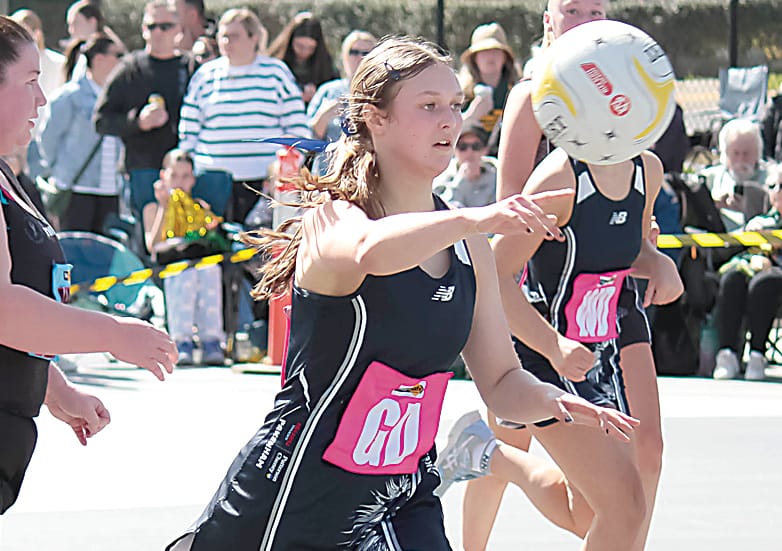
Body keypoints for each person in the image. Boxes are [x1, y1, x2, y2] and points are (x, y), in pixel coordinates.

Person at [165, 36, 638, 550]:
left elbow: (502, 380)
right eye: (429, 106)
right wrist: (473, 217)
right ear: (376, 118)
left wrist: (555, 400)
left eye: (455, 106)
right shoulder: (336, 222)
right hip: (299, 491)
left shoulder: (468, 247)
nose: (450, 122)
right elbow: (371, 251)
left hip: (401, 493)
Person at [458, 2, 679, 550]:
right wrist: (545, 339)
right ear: (549, 20)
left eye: (595, 8)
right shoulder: (536, 103)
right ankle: (480, 494)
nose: (584, 18)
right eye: (571, 8)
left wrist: (658, 261)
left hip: (608, 307)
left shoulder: (641, 151)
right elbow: (511, 213)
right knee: (513, 431)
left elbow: (635, 242)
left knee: (638, 466)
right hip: (545, 301)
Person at [0, 15, 177, 516]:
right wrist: (113, 333)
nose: (41, 100)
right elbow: (3, 309)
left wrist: (52, 387)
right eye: (31, 82)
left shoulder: (8, 175)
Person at [179, 7, 310, 225]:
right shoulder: (204, 75)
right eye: (223, 36)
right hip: (212, 182)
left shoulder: (276, 73)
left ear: (254, 38)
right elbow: (188, 131)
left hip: (263, 183)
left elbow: (297, 131)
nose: (226, 42)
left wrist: (284, 168)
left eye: (234, 36)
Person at [95, 0, 196, 174]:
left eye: (165, 26)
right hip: (141, 170)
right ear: (143, 30)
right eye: (151, 26)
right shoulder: (129, 69)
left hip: (184, 172)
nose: (157, 32)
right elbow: (101, 121)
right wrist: (138, 122)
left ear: (179, 30)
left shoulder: (191, 68)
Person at [143, 149, 225, 365]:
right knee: (184, 276)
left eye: (185, 176)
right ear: (164, 177)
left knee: (211, 271)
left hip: (199, 260)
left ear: (193, 179)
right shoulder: (152, 208)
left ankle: (211, 339)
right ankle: (182, 340)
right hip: (170, 263)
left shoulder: (200, 206)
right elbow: (152, 245)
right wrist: (164, 207)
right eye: (174, 176)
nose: (180, 182)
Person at [38, 33, 124, 234]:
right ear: (99, 59)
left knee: (105, 256)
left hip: (111, 191)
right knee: (75, 254)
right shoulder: (70, 96)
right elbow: (48, 139)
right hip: (76, 189)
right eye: (117, 55)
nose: (122, 61)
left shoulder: (121, 95)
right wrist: (61, 170)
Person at [712, 163, 782, 380]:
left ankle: (757, 354)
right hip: (753, 264)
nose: (777, 191)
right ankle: (727, 353)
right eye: (773, 186)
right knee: (732, 279)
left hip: (776, 272)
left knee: (764, 283)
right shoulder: (762, 221)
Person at [306, 29, 377, 174]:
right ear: (345, 56)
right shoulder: (328, 91)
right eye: (353, 52)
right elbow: (307, 141)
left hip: (368, 174)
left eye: (366, 53)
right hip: (328, 176)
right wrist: (324, 115)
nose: (359, 57)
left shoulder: (381, 93)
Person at [458, 22, 519, 155]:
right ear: (474, 58)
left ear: (505, 57)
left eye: (496, 51)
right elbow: (446, 131)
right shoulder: (461, 94)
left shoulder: (517, 92)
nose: (490, 56)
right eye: (484, 51)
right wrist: (471, 116)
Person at [699, 118, 770, 231]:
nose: (741, 159)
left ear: (757, 153)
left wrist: (750, 207)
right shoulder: (710, 177)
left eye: (746, 153)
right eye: (736, 153)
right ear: (725, 154)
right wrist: (713, 204)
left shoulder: (771, 178)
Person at [267, 12, 339, 105]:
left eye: (310, 48)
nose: (304, 52)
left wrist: (317, 95)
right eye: (300, 46)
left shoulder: (326, 67)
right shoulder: (276, 63)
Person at [433, 124, 497, 208]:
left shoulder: (495, 176)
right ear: (454, 150)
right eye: (463, 147)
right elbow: (443, 210)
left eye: (476, 146)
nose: (469, 152)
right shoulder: (440, 175)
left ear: (485, 150)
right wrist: (461, 181)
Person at [63, 0, 125, 81]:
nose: (71, 30)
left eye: (75, 23)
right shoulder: (75, 51)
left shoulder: (111, 50)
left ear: (92, 22)